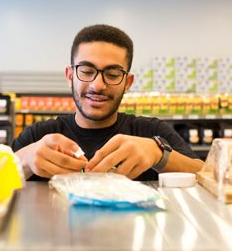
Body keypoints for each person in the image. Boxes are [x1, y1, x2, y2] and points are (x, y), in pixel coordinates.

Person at [12, 24, 204, 181]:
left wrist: (159, 154)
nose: (98, 85)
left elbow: (207, 176)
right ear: (70, 76)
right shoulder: (38, 135)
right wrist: (27, 159)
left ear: (127, 82)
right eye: (87, 71)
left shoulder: (152, 132)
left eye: (112, 75)